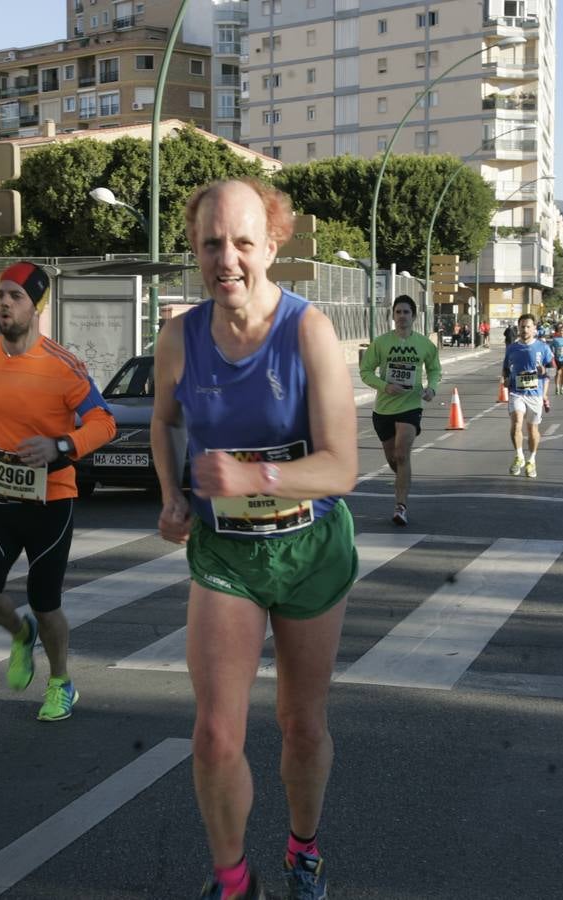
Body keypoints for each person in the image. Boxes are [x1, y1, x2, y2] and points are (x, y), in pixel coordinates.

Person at [150, 178, 358, 900]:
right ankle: (235, 881)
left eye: (242, 242)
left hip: (309, 549)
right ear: (196, 250)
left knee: (301, 725)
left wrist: (254, 479)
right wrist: (175, 494)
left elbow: (343, 466)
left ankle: (305, 851)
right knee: (214, 736)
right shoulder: (179, 336)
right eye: (212, 243)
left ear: (272, 245)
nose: (226, 259)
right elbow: (165, 420)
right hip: (225, 555)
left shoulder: (309, 332)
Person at [0, 262, 116, 722]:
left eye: (15, 295)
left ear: (36, 305)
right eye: (1, 294)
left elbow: (105, 422)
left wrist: (63, 445)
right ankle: (20, 635)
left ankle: (61, 682)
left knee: (46, 604)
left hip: (51, 501)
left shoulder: (63, 366)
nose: (4, 302)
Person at [360, 294, 441, 526]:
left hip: (411, 405)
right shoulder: (381, 343)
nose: (402, 316)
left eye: (406, 312)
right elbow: (365, 371)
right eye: (398, 312)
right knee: (394, 458)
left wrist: (431, 389)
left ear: (414, 316)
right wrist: (384, 386)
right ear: (393, 316)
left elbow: (435, 370)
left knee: (402, 452)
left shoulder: (424, 344)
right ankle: (403, 480)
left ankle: (400, 505)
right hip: (384, 409)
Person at [502, 313, 554, 478]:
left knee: (532, 429)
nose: (525, 329)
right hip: (516, 392)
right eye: (522, 326)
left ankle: (532, 460)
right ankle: (519, 456)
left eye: (528, 326)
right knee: (517, 421)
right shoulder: (512, 348)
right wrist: (505, 379)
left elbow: (553, 370)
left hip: (535, 394)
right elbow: (505, 368)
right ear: (518, 327)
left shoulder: (543, 348)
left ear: (534, 328)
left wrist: (544, 371)